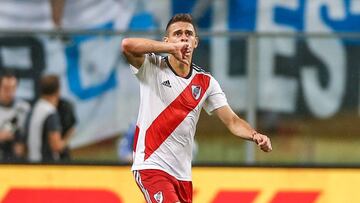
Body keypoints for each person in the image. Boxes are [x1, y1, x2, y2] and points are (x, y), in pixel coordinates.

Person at [121, 13, 272, 203]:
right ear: (167, 40)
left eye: (188, 33)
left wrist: (254, 134)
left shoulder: (205, 82)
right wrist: (170, 48)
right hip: (151, 166)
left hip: (182, 176)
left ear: (195, 42)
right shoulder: (151, 66)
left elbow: (232, 121)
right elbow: (127, 45)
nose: (184, 37)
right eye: (177, 34)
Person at [26, 75, 70, 162]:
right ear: (58, 91)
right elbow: (56, 146)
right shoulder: (50, 112)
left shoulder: (34, 108)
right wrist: (68, 137)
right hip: (46, 165)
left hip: (31, 163)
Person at [0, 71, 30, 161]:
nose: (10, 93)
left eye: (13, 88)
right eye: (6, 88)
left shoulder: (24, 108)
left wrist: (23, 144)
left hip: (18, 160)